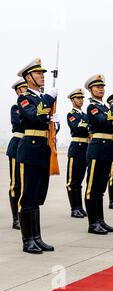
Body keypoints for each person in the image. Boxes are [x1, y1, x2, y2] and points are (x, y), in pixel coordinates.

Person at [16, 58, 59, 253]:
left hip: (42, 149)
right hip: (30, 149)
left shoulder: (41, 99)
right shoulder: (24, 98)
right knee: (28, 196)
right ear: (28, 77)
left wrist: (55, 124)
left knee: (37, 197)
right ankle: (27, 241)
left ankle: (37, 237)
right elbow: (35, 117)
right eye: (38, 73)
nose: (43, 76)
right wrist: (48, 100)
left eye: (43, 73)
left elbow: (45, 123)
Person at [84, 74, 113, 235]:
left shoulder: (104, 107)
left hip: (106, 150)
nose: (101, 89)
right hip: (97, 149)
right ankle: (93, 223)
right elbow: (105, 122)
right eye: (97, 87)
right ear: (90, 89)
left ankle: (100, 220)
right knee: (92, 188)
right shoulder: (92, 107)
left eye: (102, 86)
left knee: (100, 188)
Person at [7, 78, 28, 230]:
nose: (26, 90)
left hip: (29, 147)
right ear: (18, 91)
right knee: (16, 184)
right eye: (23, 88)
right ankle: (16, 218)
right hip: (17, 145)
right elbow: (20, 123)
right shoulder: (16, 107)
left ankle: (24, 215)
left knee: (27, 184)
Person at [66, 88, 89, 219]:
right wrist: (87, 122)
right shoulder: (71, 114)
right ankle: (74, 208)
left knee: (80, 180)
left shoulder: (84, 115)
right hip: (76, 148)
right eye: (78, 98)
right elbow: (77, 128)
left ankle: (80, 207)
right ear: (72, 100)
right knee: (72, 181)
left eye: (81, 98)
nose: (80, 100)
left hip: (86, 147)